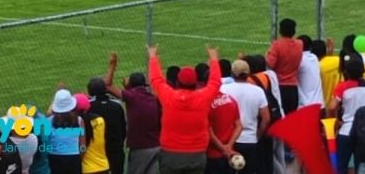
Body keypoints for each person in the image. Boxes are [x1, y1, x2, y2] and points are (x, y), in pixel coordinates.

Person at [148, 45, 222, 174]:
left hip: (171, 153)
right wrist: (214, 59)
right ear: (195, 83)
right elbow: (215, 82)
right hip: (196, 153)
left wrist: (153, 57)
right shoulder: (202, 97)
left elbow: (156, 79)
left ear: (177, 82)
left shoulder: (169, 96)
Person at [104, 52, 159, 174]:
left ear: (131, 85)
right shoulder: (154, 98)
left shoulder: (132, 97)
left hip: (139, 147)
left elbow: (107, 85)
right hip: (156, 146)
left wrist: (112, 65)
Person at [220, 60, 270, 174]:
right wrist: (257, 135)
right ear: (248, 74)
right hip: (249, 140)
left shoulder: (224, 89)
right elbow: (266, 118)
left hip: (229, 140)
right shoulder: (258, 91)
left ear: (232, 73)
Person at [87, 76, 126, 174]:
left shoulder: (89, 106)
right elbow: (123, 128)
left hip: (97, 151)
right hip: (116, 147)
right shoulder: (117, 105)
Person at [265, 18, 302, 115]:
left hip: (279, 86)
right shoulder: (299, 44)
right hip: (293, 87)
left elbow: (270, 63)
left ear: (280, 30)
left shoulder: (277, 45)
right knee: (291, 116)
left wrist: (268, 54)